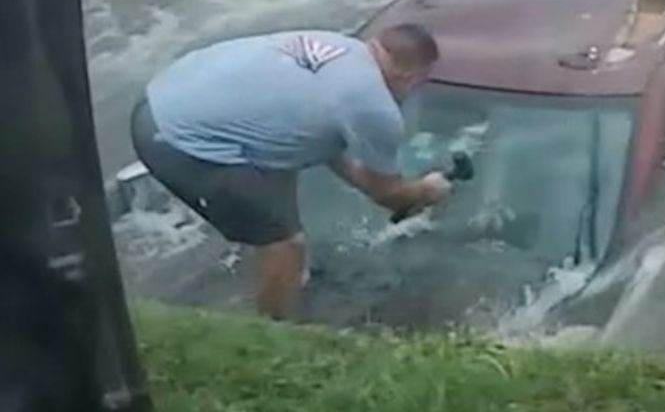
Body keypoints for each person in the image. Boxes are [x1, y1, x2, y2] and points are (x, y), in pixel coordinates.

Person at [130, 23, 452, 320]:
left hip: (162, 96)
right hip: (177, 140)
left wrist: (375, 186)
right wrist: (427, 190)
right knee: (285, 245)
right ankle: (275, 341)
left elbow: (323, 146)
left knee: (281, 172)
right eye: (418, 82)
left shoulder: (338, 46)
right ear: (409, 76)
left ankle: (272, 278)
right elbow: (387, 193)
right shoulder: (373, 105)